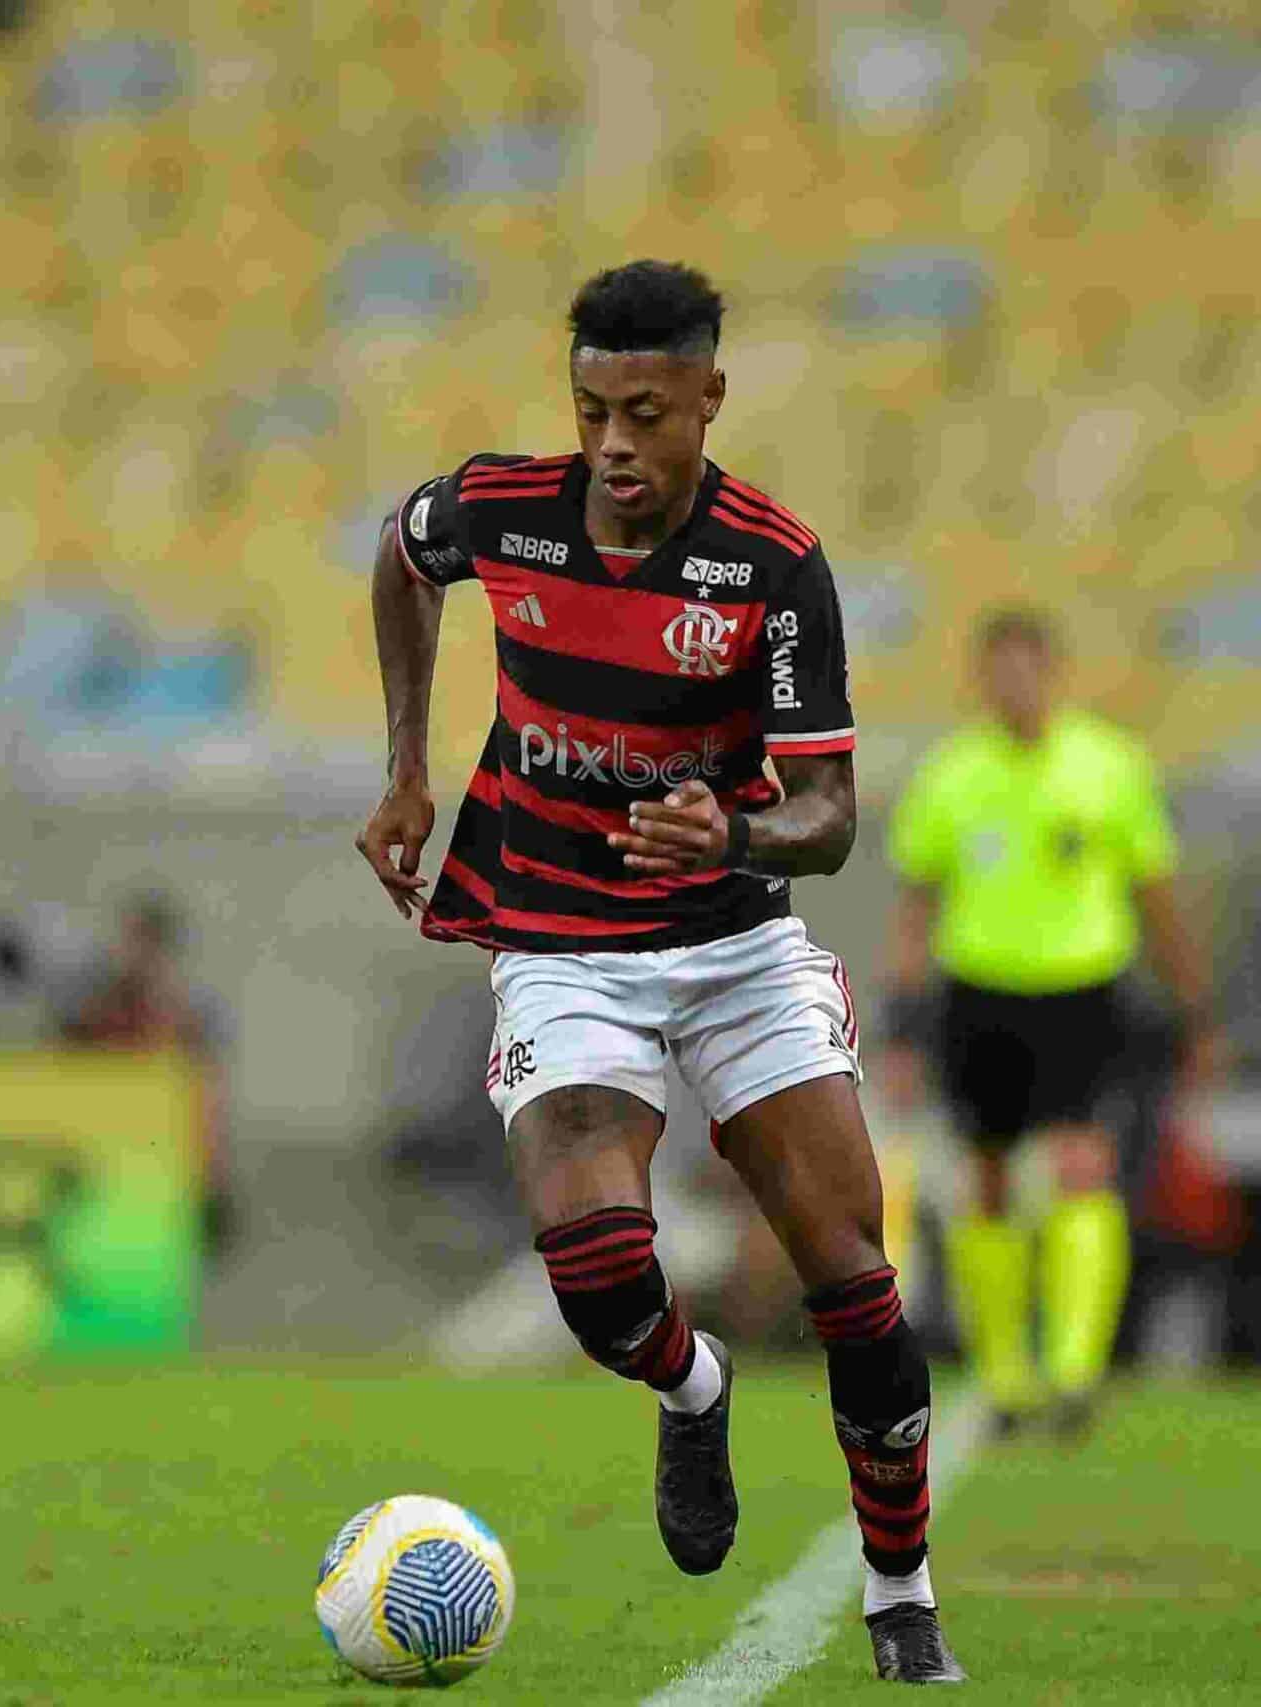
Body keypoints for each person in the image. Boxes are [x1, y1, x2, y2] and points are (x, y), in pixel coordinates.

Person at [354, 261, 963, 1684]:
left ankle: (899, 1594)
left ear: (707, 398)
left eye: (643, 410)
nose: (614, 442)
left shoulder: (773, 564)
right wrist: (404, 771)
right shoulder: (507, 507)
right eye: (590, 411)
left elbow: (830, 814)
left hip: (738, 949)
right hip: (563, 940)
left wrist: (736, 826)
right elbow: (401, 553)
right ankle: (693, 1381)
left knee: (854, 1279)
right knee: (595, 1268)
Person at [886, 607, 1214, 1439]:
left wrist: (1195, 1008)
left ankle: (1073, 1370)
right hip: (980, 995)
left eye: (1028, 668)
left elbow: (1157, 894)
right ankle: (1004, 1375)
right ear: (982, 678)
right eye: (999, 669)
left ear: (1054, 672)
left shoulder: (1109, 766)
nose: (1014, 685)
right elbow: (916, 907)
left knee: (1081, 1166)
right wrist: (898, 1023)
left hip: (1084, 994)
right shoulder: (952, 775)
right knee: (989, 1182)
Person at [59, 891, 235, 1251]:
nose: (131, 954)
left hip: (159, 1173)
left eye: (140, 942)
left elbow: (205, 1099)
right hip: (105, 1166)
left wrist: (212, 1178)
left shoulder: (188, 1014)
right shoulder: (96, 1004)